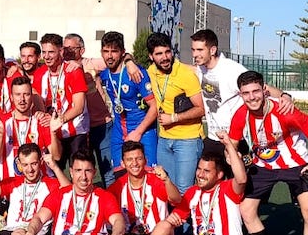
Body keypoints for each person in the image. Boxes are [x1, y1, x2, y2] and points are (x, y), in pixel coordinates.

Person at [226, 70, 308, 235]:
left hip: (297, 164)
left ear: (264, 90)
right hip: (264, 166)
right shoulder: (241, 114)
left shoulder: (283, 110)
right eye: (246, 93)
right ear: (240, 95)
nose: (251, 97)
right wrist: (234, 154)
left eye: (255, 91)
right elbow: (232, 143)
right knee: (247, 210)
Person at [121, 131, 248, 235]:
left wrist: (229, 146)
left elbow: (241, 179)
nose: (200, 174)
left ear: (219, 175)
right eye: (199, 169)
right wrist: (172, 219)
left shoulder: (228, 189)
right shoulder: (192, 192)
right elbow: (177, 214)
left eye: (206, 171)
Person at [190, 29, 293, 159]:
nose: (195, 54)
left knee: (240, 178)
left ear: (212, 50)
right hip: (213, 137)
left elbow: (260, 87)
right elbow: (184, 68)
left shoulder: (232, 70)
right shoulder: (201, 69)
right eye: (193, 50)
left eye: (200, 50)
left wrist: (284, 95)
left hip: (236, 138)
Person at [146, 32, 205, 196]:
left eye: (167, 52)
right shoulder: (150, 72)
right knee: (166, 187)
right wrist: (129, 61)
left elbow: (201, 109)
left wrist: (174, 118)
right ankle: (172, 222)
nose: (165, 57)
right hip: (164, 140)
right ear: (151, 56)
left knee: (184, 190)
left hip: (188, 140)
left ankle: (187, 223)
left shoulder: (186, 74)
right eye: (159, 54)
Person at [99, 31, 158, 172]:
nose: (109, 55)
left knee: (148, 176)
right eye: (106, 51)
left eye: (114, 51)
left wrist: (138, 132)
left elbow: (154, 107)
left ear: (122, 52)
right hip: (119, 131)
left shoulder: (136, 73)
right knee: (119, 177)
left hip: (144, 132)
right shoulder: (104, 74)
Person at [62, 34, 114, 187]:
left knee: (108, 170)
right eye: (64, 48)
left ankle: (111, 205)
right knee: (80, 170)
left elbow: (119, 58)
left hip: (101, 125)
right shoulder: (61, 68)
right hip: (78, 129)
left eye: (72, 48)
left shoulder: (90, 63)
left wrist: (129, 62)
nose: (67, 51)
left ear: (82, 50)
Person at [31, 34, 89, 168]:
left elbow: (79, 107)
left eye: (51, 52)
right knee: (55, 172)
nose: (46, 56)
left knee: (79, 170)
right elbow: (37, 100)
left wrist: (59, 120)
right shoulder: (40, 73)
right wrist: (41, 114)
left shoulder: (73, 70)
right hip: (53, 132)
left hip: (76, 131)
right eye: (44, 52)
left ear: (61, 51)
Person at [0, 77, 62, 180]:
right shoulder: (2, 121)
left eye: (26, 94)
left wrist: (53, 133)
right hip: (12, 186)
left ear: (32, 97)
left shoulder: (41, 121)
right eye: (18, 95)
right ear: (11, 97)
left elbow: (56, 156)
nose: (22, 99)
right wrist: (1, 135)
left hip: (40, 185)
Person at [107, 141, 180, 235]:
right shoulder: (116, 187)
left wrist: (166, 180)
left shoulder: (156, 180)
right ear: (122, 163)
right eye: (129, 159)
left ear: (145, 160)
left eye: (139, 159)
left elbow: (177, 200)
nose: (134, 163)